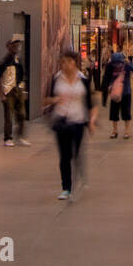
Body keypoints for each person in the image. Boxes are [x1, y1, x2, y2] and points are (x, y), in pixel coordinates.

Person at [45, 50, 97, 199]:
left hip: (78, 121)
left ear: (74, 62)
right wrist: (53, 100)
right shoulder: (56, 79)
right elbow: (46, 100)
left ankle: (79, 176)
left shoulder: (83, 80)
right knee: (64, 155)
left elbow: (90, 104)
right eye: (61, 62)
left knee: (77, 153)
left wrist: (91, 121)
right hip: (61, 121)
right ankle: (66, 187)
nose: (63, 65)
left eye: (66, 61)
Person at [0, 39, 30, 146]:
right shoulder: (5, 61)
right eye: (14, 46)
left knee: (22, 114)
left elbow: (23, 75)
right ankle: (8, 138)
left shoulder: (18, 60)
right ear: (9, 47)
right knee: (8, 116)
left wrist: (24, 90)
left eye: (18, 46)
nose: (17, 48)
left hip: (18, 90)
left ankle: (20, 136)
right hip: (9, 91)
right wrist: (2, 94)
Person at [102, 51, 133, 139]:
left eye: (118, 63)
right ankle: (115, 131)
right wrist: (108, 87)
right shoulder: (110, 66)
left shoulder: (126, 65)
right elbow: (107, 78)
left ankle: (127, 131)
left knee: (126, 112)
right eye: (115, 63)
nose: (117, 65)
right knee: (114, 113)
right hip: (114, 92)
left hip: (126, 92)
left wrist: (128, 62)